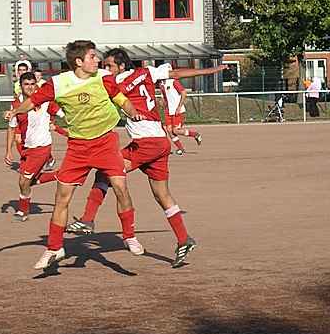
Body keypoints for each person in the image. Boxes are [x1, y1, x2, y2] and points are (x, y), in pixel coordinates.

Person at [69, 50, 225, 267]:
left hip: (146, 143)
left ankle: (88, 219)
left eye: (110, 65)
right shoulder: (147, 72)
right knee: (162, 194)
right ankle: (183, 239)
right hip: (161, 142)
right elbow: (177, 74)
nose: (107, 69)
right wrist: (212, 69)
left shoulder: (114, 82)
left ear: (121, 66)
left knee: (105, 172)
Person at [5, 40, 145, 270]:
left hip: (105, 142)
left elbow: (122, 100)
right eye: (92, 56)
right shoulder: (58, 83)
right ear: (79, 62)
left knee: (120, 187)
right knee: (62, 197)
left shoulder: (103, 77)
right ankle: (54, 247)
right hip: (78, 147)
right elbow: (33, 101)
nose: (98, 60)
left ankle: (129, 235)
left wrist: (133, 112)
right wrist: (15, 110)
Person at [5, 72, 65, 222]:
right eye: (26, 84)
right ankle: (58, 175)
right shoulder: (16, 105)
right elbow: (11, 128)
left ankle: (23, 211)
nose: (30, 87)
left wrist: (61, 124)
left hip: (42, 147)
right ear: (21, 86)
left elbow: (64, 114)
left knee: (23, 181)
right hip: (27, 148)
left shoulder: (45, 101)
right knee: (29, 181)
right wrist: (8, 151)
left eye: (32, 84)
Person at [159, 64, 227, 155]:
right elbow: (165, 97)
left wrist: (179, 107)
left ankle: (195, 134)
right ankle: (180, 149)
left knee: (176, 130)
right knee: (169, 130)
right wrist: (163, 103)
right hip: (168, 111)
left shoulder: (174, 81)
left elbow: (183, 93)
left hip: (177, 110)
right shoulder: (161, 84)